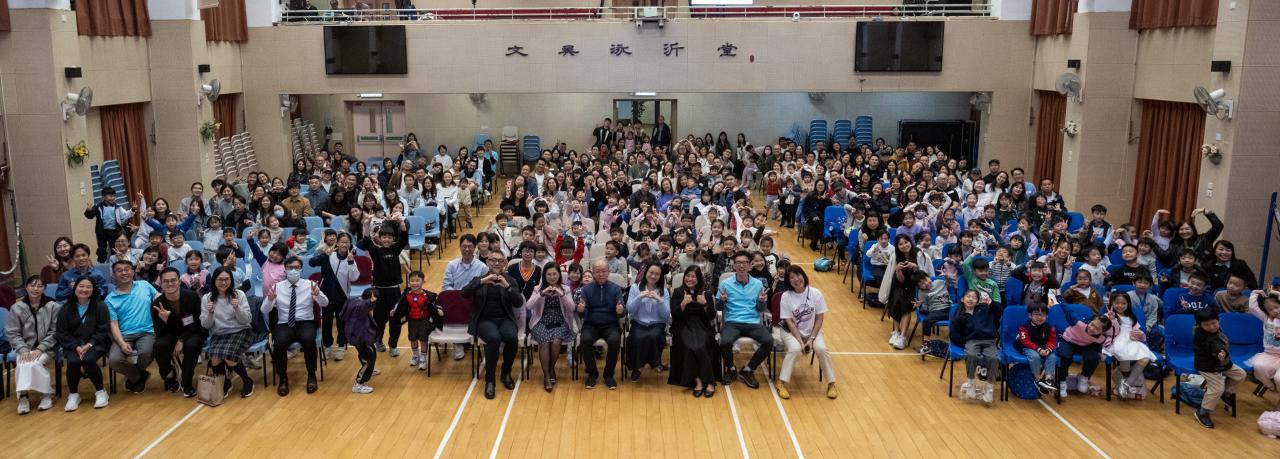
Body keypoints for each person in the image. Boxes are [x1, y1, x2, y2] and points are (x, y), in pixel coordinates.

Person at [262, 257, 329, 396]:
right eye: (290, 267)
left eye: (297, 267)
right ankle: (283, 377)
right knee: (279, 343)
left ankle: (311, 375)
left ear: (301, 269)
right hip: (284, 323)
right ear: (285, 270)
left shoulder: (310, 284)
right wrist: (270, 299)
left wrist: (318, 295)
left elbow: (325, 303)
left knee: (308, 340)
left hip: (305, 322)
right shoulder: (277, 286)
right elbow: (264, 310)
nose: (293, 270)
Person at [464, 251, 524, 400]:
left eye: (500, 260)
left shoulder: (510, 280)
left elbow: (518, 302)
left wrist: (507, 287)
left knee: (512, 337)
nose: (496, 263)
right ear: (487, 262)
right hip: (484, 320)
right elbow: (464, 293)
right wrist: (482, 281)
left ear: (504, 263)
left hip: (504, 319)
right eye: (493, 260)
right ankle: (490, 380)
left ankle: (506, 373)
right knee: (494, 338)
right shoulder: (479, 279)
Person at [776, 266, 837, 400]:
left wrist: (811, 339)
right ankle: (781, 382)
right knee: (795, 349)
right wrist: (800, 341)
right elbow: (789, 322)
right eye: (792, 277)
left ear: (803, 276)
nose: (796, 279)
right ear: (788, 281)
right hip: (790, 332)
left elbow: (819, 319)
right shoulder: (786, 296)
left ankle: (831, 383)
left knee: (821, 349)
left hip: (812, 331)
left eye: (798, 275)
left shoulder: (816, 293)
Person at [717, 251, 773, 389]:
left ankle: (748, 370)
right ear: (734, 265)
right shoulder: (725, 284)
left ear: (750, 265)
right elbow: (718, 307)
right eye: (738, 263)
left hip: (753, 322)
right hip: (732, 322)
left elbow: (761, 309)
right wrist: (722, 301)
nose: (741, 265)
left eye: (744, 263)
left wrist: (761, 302)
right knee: (725, 342)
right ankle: (731, 369)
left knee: (768, 341)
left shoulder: (758, 284)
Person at [55, 277, 112, 411]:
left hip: (95, 343)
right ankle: (73, 395)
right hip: (73, 345)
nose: (84, 289)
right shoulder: (66, 308)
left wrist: (89, 344)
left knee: (88, 359)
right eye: (81, 286)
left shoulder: (100, 306)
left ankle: (101, 391)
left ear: (93, 290)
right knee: (73, 361)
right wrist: (76, 346)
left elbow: (103, 329)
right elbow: (61, 332)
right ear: (75, 288)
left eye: (88, 287)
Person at [5, 276, 61, 414]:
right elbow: (12, 332)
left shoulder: (53, 306)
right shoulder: (16, 307)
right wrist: (23, 349)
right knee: (22, 364)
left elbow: (56, 331)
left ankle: (46, 394)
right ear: (26, 287)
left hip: (47, 347)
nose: (36, 289)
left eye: (40, 286)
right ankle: (23, 397)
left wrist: (41, 348)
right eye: (32, 285)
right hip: (24, 347)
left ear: (44, 289)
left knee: (35, 363)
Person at [199, 267, 256, 399]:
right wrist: (210, 313)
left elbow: (247, 320)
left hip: (240, 331)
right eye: (220, 279)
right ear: (214, 281)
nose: (223, 282)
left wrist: (237, 308)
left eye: (227, 279)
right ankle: (225, 383)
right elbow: (206, 325)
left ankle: (247, 381)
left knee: (228, 357)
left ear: (231, 280)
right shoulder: (207, 298)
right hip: (219, 333)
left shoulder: (239, 294)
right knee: (214, 358)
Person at [105, 261, 160, 394]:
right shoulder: (110, 299)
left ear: (133, 271)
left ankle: (135, 378)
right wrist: (121, 343)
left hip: (147, 332)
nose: (124, 272)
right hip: (124, 335)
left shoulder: (144, 285)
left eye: (127, 269)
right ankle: (139, 376)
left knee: (146, 353)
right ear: (114, 275)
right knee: (114, 360)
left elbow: (159, 298)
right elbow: (113, 324)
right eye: (119, 270)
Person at [151, 268, 207, 395]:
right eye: (166, 281)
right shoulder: (157, 304)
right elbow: (159, 332)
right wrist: (164, 321)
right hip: (171, 333)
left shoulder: (192, 296)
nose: (170, 284)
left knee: (191, 346)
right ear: (161, 284)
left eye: (173, 280)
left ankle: (187, 382)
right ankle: (170, 376)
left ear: (179, 281)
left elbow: (198, 323)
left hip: (193, 331)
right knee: (159, 346)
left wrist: (181, 340)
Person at [668, 266, 720, 398]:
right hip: (683, 325)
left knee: (702, 345)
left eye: (693, 276)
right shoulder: (678, 292)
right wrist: (683, 304)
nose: (689, 279)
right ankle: (699, 381)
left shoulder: (706, 293)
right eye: (687, 276)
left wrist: (705, 304)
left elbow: (711, 316)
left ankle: (709, 381)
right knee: (690, 346)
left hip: (702, 326)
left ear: (698, 279)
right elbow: (675, 315)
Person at [524, 264, 576, 392]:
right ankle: (547, 376)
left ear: (559, 275)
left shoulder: (565, 289)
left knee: (556, 341)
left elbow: (571, 308)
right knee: (545, 341)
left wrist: (562, 295)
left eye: (554, 274)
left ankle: (551, 368)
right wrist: (541, 294)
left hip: (560, 321)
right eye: (549, 274)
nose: (552, 277)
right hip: (541, 321)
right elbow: (529, 306)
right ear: (544, 276)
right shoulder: (538, 289)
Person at [310, 232, 361, 361]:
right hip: (326, 297)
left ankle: (341, 346)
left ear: (350, 244)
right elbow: (311, 263)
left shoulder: (351, 259)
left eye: (347, 242)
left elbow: (354, 277)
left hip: (342, 296)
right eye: (342, 242)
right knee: (326, 322)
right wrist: (323, 254)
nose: (344, 244)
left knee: (341, 322)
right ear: (337, 243)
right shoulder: (329, 255)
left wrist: (351, 262)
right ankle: (327, 346)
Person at [358, 224, 407, 356]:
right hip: (379, 291)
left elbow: (404, 239)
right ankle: (378, 340)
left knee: (395, 320)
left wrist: (402, 225)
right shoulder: (376, 251)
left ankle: (393, 345)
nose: (386, 239)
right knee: (379, 320)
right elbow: (367, 241)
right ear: (379, 238)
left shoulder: (395, 249)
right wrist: (366, 225)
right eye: (384, 237)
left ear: (393, 239)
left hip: (394, 291)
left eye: (389, 237)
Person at [1193, 309, 1246, 429]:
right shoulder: (1202, 335)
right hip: (1208, 366)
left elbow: (1219, 341)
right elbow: (1213, 344)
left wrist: (1222, 354)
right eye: (1207, 325)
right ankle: (1202, 412)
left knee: (1240, 374)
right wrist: (1220, 352)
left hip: (1223, 363)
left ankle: (1226, 393)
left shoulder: (1216, 329)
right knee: (1217, 388)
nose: (1212, 327)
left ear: (1219, 320)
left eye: (1214, 323)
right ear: (1199, 325)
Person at [879, 234, 934, 350]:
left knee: (906, 303)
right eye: (901, 244)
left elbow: (925, 277)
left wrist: (915, 267)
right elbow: (901, 281)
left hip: (917, 287)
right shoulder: (896, 256)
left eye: (906, 242)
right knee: (896, 298)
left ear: (910, 242)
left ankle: (903, 336)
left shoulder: (920, 254)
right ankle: (896, 332)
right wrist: (898, 271)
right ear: (897, 246)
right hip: (901, 285)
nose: (904, 245)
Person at [577, 260, 625, 390]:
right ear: (593, 273)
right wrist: (581, 310)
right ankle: (592, 374)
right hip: (591, 324)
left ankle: (609, 375)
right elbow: (582, 314)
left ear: (608, 272)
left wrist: (620, 311)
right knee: (585, 340)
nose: (601, 274)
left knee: (615, 340)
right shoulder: (586, 289)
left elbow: (622, 311)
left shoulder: (615, 289)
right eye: (598, 272)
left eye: (604, 271)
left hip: (611, 325)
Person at [442, 234, 488, 360]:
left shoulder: (482, 267)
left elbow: (484, 289)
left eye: (470, 246)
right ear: (460, 247)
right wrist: (457, 297)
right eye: (464, 246)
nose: (467, 249)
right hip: (455, 301)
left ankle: (472, 337)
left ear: (475, 248)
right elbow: (446, 286)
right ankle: (457, 342)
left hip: (474, 302)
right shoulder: (452, 265)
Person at [1104, 292, 1155, 400]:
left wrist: (1141, 334)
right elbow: (1108, 332)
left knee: (1145, 357)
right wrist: (1112, 320)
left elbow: (1139, 333)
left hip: (1131, 341)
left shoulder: (1131, 317)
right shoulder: (1108, 316)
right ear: (1112, 303)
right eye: (1117, 303)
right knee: (1125, 356)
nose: (1120, 305)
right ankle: (1125, 380)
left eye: (1124, 303)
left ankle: (1126, 385)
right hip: (1116, 340)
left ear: (1128, 304)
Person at [951, 290, 999, 405]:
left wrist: (991, 302)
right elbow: (954, 334)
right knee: (971, 355)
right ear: (962, 299)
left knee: (993, 358)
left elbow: (1000, 311)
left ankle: (989, 388)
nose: (970, 299)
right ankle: (971, 383)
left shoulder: (985, 309)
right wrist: (964, 343)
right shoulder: (960, 316)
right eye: (968, 296)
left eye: (974, 298)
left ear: (978, 301)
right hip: (972, 341)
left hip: (989, 340)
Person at [626, 263, 671, 382]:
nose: (653, 276)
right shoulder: (635, 288)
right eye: (651, 272)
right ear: (646, 273)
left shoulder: (664, 291)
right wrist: (639, 297)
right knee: (637, 337)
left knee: (654, 336)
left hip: (657, 323)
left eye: (657, 274)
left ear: (660, 276)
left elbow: (666, 314)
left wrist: (659, 299)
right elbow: (630, 310)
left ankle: (649, 364)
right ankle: (640, 367)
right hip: (639, 322)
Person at [393, 271, 439, 372]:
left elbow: (435, 306)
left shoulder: (429, 295)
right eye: (412, 281)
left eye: (417, 280)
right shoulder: (406, 294)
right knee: (412, 339)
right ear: (408, 282)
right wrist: (394, 311)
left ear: (423, 281)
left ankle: (423, 359)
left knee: (423, 340)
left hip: (424, 322)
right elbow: (399, 304)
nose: (414, 283)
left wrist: (439, 310)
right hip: (412, 321)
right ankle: (415, 356)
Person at [1245, 289, 1280, 409]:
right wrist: (1255, 293)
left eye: (1277, 307)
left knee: (1279, 378)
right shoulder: (1266, 318)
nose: (1274, 311)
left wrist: (1277, 294)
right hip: (1270, 354)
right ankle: (1271, 387)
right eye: (1270, 310)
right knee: (1258, 366)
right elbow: (1253, 308)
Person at [84, 187, 138, 262]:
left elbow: (125, 215)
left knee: (114, 247)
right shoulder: (98, 206)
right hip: (102, 231)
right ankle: (101, 262)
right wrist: (89, 211)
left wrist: (133, 209)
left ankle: (115, 261)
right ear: (103, 197)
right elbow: (90, 216)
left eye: (114, 196)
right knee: (102, 248)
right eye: (110, 196)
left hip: (114, 231)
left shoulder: (117, 206)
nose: (112, 198)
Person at [1015, 302, 1058, 393]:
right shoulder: (1024, 327)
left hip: (1043, 347)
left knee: (1052, 356)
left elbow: (1052, 341)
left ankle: (1048, 380)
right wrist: (1039, 349)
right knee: (1035, 356)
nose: (1039, 317)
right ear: (1030, 315)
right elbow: (1026, 341)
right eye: (1036, 314)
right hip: (1027, 347)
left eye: (1042, 315)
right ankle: (1038, 379)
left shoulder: (1050, 327)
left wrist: (1048, 349)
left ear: (1047, 316)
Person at [342, 289, 379, 394]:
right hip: (361, 338)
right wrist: (370, 302)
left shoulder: (355, 302)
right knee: (368, 360)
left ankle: (369, 370)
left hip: (361, 337)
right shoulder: (360, 308)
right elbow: (363, 307)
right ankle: (359, 384)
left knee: (371, 353)